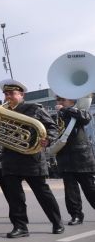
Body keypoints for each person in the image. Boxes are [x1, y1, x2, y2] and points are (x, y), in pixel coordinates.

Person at [0, 79, 63, 238]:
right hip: (10, 158)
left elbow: (52, 127)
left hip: (32, 158)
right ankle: (20, 227)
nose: (8, 97)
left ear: (22, 95)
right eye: (6, 94)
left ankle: (57, 222)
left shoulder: (34, 109)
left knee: (42, 193)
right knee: (14, 196)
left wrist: (48, 139)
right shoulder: (1, 112)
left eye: (11, 93)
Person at [53, 95, 95, 225]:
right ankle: (76, 215)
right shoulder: (57, 116)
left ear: (71, 101)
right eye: (58, 100)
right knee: (70, 190)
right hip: (64, 157)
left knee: (90, 188)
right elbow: (52, 131)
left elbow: (85, 118)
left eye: (62, 100)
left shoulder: (78, 112)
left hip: (82, 157)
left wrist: (65, 110)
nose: (59, 102)